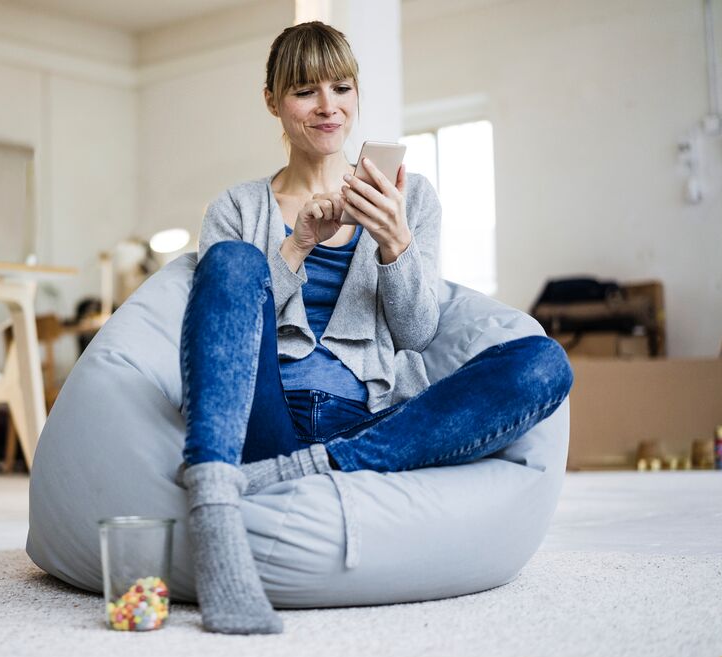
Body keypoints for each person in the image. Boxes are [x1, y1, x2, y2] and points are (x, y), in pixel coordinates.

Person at [177, 21, 573, 635]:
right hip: (264, 414)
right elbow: (227, 325)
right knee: (232, 261)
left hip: (372, 420)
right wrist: (297, 247)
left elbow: (417, 333)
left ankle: (300, 472)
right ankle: (212, 503)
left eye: (341, 87)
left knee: (544, 363)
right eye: (305, 90)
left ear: (357, 94)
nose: (328, 106)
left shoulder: (410, 201)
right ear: (273, 102)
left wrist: (394, 241)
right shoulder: (237, 207)